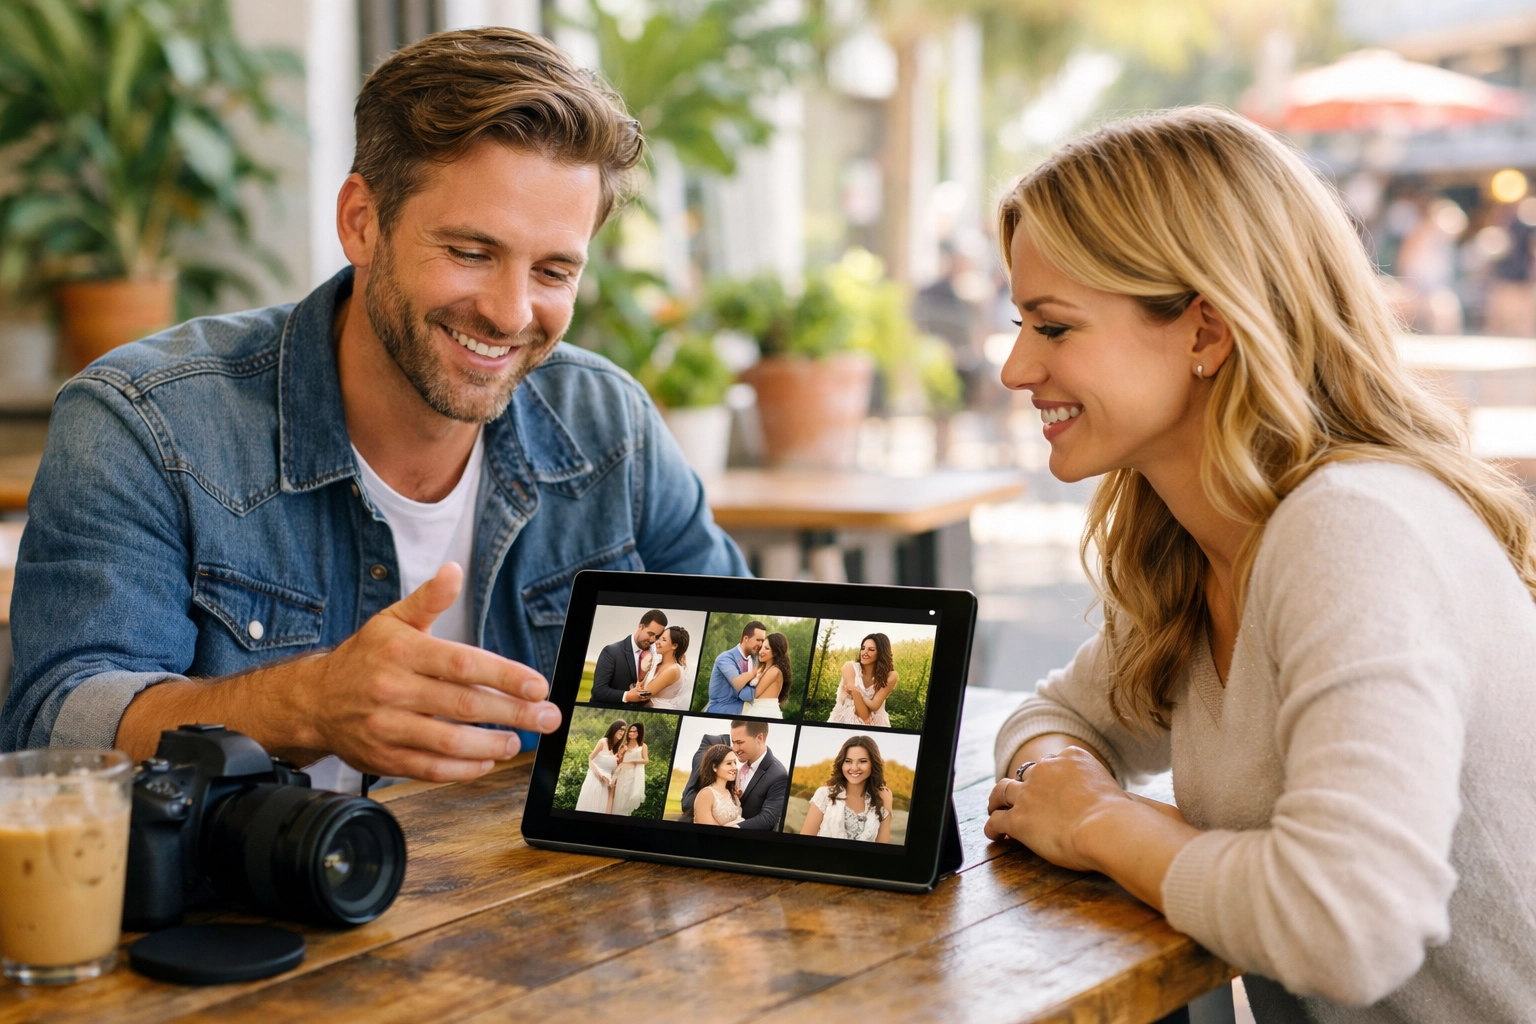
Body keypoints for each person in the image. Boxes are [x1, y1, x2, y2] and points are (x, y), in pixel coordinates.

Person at [0, 29, 749, 789]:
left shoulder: (609, 427)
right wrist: (307, 705)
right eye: (470, 252)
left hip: (536, 905)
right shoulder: (145, 423)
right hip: (245, 905)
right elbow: (57, 725)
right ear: (361, 220)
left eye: (553, 270)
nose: (511, 311)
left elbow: (738, 659)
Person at [983, 106, 1536, 1022]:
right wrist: (1066, 778)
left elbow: (1353, 926)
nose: (1012, 368)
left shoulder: (1351, 532)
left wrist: (1100, 823)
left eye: (1053, 327)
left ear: (1205, 331)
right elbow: (1057, 716)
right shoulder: (1201, 541)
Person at [677, 719, 788, 829]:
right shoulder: (715, 746)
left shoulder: (778, 774)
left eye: (739, 743)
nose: (734, 749)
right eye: (733, 742)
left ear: (759, 738)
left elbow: (768, 818)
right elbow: (688, 801)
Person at [799, 735, 892, 843]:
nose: (854, 767)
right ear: (841, 763)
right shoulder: (825, 795)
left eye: (862, 761)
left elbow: (883, 848)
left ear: (873, 764)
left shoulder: (881, 799)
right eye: (848, 761)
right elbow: (804, 842)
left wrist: (887, 804)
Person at [590, 610, 668, 707]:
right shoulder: (611, 652)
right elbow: (598, 691)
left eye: (657, 637)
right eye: (650, 634)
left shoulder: (656, 656)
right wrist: (627, 696)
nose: (653, 640)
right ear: (640, 627)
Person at [828, 634, 895, 727]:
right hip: (846, 720)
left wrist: (859, 692)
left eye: (871, 650)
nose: (864, 652)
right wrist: (866, 718)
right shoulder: (849, 667)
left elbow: (875, 706)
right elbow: (864, 715)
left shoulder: (890, 676)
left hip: (878, 723)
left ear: (881, 653)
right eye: (863, 648)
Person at [705, 622, 766, 714]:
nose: (761, 644)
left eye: (763, 641)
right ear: (746, 638)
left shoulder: (755, 659)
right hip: (721, 709)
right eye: (758, 640)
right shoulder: (726, 658)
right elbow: (740, 687)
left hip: (743, 706)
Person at [575, 719, 625, 814]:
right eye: (621, 729)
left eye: (624, 731)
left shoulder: (617, 749)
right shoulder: (603, 742)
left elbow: (615, 770)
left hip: (606, 785)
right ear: (614, 728)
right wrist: (599, 775)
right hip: (594, 779)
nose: (622, 732)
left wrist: (611, 781)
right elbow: (590, 759)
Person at [739, 631, 790, 719]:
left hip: (765, 712)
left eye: (766, 648)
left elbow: (753, 694)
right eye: (761, 647)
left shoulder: (775, 671)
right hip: (755, 709)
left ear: (775, 652)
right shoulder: (760, 669)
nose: (761, 651)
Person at [691, 744, 743, 828]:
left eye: (735, 763)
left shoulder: (732, 793)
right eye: (729, 763)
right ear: (714, 766)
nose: (734, 767)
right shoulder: (706, 794)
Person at [641, 625, 691, 711]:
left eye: (663, 639)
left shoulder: (673, 670)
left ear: (674, 646)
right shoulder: (657, 663)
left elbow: (644, 694)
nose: (657, 642)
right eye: (659, 638)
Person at [610, 722, 648, 816]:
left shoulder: (643, 746)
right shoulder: (624, 745)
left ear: (639, 733)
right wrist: (621, 754)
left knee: (627, 799)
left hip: (633, 775)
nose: (632, 733)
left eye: (634, 731)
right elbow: (619, 761)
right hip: (623, 773)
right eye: (630, 731)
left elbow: (646, 760)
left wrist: (633, 761)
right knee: (619, 797)